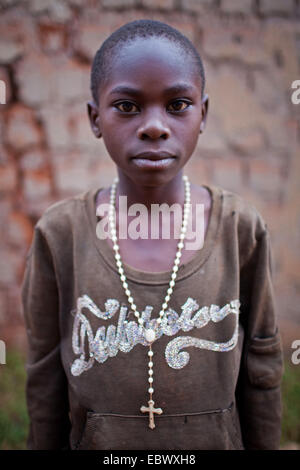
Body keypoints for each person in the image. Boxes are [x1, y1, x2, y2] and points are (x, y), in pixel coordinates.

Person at [21, 19, 284, 450]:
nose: (155, 126)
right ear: (94, 118)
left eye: (178, 104)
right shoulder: (62, 234)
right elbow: (44, 380)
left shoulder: (240, 229)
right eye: (127, 106)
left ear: (203, 114)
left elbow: (263, 369)